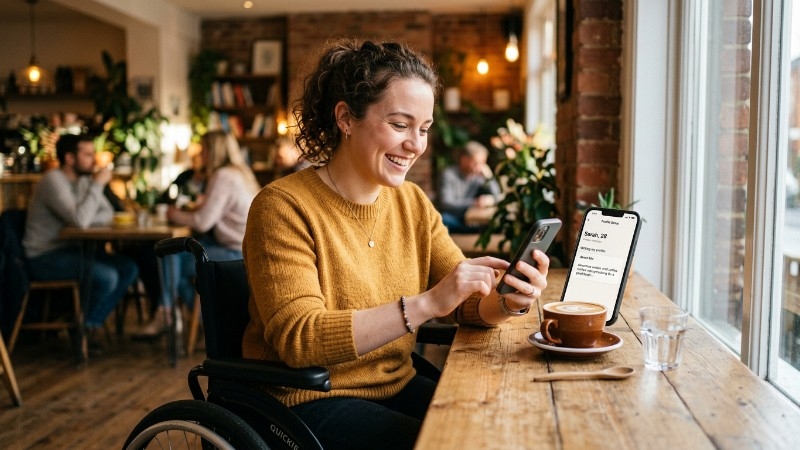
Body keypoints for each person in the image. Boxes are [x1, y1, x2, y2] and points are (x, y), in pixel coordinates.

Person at [241, 39, 550, 450]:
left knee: (493, 427)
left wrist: (508, 300)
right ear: (346, 118)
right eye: (401, 125)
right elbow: (300, 338)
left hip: (394, 383)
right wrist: (424, 305)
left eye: (423, 129)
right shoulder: (282, 207)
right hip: (306, 398)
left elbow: (461, 302)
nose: (416, 145)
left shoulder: (411, 203)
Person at [134, 131, 260, 336]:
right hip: (245, 248)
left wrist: (173, 213)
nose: (199, 155)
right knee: (175, 265)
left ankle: (171, 314)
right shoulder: (239, 172)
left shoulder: (223, 176)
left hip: (235, 251)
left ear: (213, 151)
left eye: (202, 150)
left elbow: (202, 222)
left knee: (170, 256)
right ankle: (206, 322)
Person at [22, 133, 139, 354]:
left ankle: (88, 325)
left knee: (128, 268)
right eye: (87, 154)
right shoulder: (53, 180)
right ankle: (82, 330)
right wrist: (96, 188)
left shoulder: (84, 181)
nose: (94, 160)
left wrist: (86, 210)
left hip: (72, 250)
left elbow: (106, 214)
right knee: (107, 276)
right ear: (69, 158)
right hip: (44, 256)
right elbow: (80, 220)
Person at [437, 140, 501, 233]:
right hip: (453, 216)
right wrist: (474, 203)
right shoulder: (448, 174)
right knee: (443, 220)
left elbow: (497, 195)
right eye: (476, 162)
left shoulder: (478, 176)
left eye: (483, 163)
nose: (479, 167)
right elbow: (446, 203)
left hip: (472, 217)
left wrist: (489, 177)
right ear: (464, 159)